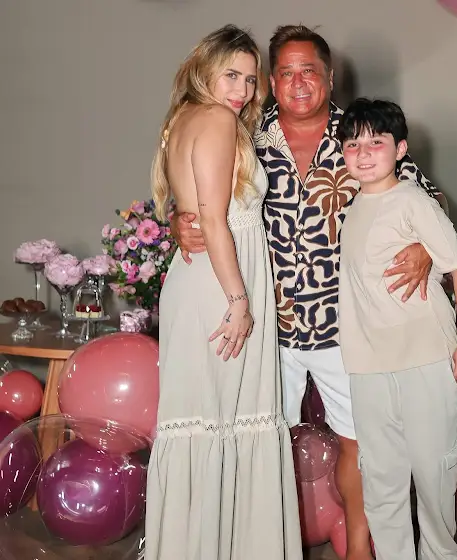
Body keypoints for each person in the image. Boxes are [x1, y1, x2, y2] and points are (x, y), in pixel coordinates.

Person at [170, 25, 446, 559]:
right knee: (252, 440)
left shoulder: (362, 134)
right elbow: (199, 196)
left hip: (349, 324)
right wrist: (177, 223)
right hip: (266, 323)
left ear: (329, 77)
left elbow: (428, 200)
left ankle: (359, 548)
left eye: (309, 71)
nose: (298, 83)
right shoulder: (244, 131)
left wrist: (425, 248)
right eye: (286, 73)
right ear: (271, 82)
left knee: (362, 442)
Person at [145, 25, 303, 560]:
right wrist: (239, 301)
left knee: (209, 423)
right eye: (231, 75)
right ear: (204, 71)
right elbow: (213, 219)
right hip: (223, 285)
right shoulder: (216, 120)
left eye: (250, 80)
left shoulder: (183, 119)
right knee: (219, 421)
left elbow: (195, 209)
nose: (242, 90)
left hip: (205, 278)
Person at [337, 97, 457, 560]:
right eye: (352, 144)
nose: (363, 153)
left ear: (400, 149)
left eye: (375, 143)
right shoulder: (353, 208)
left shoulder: (413, 202)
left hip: (425, 358)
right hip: (368, 365)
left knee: (433, 474)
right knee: (381, 480)